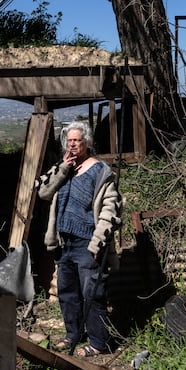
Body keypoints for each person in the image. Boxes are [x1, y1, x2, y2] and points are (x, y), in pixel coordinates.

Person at [35, 121, 121, 357]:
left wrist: (97, 242)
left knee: (92, 293)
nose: (72, 145)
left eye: (77, 140)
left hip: (87, 243)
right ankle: (73, 335)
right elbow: (43, 192)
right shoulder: (64, 168)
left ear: (87, 143)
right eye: (69, 141)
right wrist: (62, 168)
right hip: (64, 242)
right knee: (67, 292)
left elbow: (110, 210)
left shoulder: (100, 171)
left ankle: (98, 343)